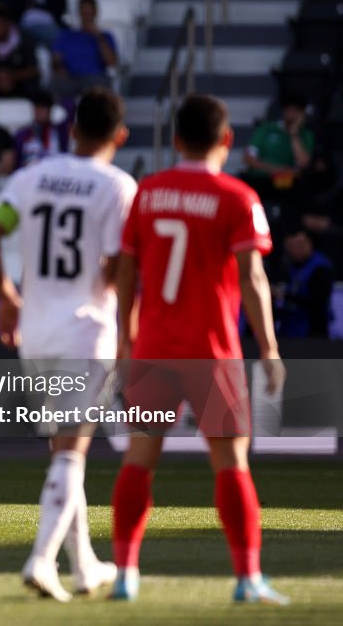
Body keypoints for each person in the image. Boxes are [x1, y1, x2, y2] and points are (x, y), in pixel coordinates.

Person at [111, 94, 288, 604]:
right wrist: (270, 348)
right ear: (227, 140)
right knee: (231, 463)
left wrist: (126, 338)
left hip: (154, 346)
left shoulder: (148, 193)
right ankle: (248, 578)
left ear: (175, 139)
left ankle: (125, 573)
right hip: (211, 349)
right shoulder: (237, 197)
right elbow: (253, 276)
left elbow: (126, 271)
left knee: (139, 460)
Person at [0, 87, 136, 602]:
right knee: (73, 451)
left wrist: (6, 294)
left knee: (65, 452)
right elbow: (116, 268)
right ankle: (41, 561)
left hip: (36, 329)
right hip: (85, 328)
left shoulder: (30, 177)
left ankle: (85, 565)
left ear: (72, 130)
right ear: (120, 134)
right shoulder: (117, 186)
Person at [241, 94, 315, 207]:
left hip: (283, 181)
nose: (292, 115)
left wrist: (294, 134)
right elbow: (248, 159)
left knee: (299, 188)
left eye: (296, 111)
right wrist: (278, 169)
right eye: (289, 110)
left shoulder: (306, 135)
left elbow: (303, 163)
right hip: (258, 178)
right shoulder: (266, 129)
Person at [51, 0, 118, 97]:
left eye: (89, 13)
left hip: (94, 78)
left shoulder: (105, 36)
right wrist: (59, 68)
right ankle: (68, 110)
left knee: (100, 85)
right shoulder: (66, 35)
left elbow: (111, 63)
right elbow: (56, 59)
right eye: (84, 13)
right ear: (79, 13)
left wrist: (99, 38)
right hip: (70, 78)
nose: (87, 16)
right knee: (56, 82)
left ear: (95, 13)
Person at [276, 225, 334, 338]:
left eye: (299, 245)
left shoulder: (321, 268)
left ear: (309, 243)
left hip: (311, 334)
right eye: (291, 246)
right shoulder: (291, 266)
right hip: (289, 332)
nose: (295, 250)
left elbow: (317, 303)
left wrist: (285, 295)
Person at [0, 8, 40, 100]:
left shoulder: (24, 39)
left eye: (0, 23)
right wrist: (0, 77)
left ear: (7, 24)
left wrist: (12, 76)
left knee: (32, 85)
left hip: (19, 80)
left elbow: (33, 69)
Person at [13, 90, 70, 169]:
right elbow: (17, 163)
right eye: (37, 108)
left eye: (43, 108)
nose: (40, 112)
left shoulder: (60, 133)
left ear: (49, 111)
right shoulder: (22, 135)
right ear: (33, 110)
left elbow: (70, 108)